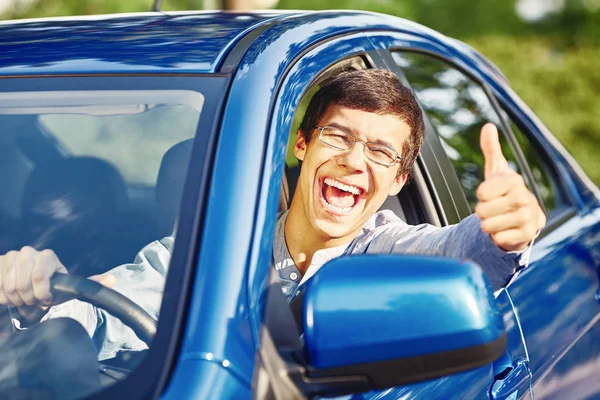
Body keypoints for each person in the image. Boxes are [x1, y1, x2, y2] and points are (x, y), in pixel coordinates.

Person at [0, 69, 545, 361]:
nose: (355, 161)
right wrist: (39, 298)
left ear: (399, 180)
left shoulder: (395, 250)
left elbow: (461, 255)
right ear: (303, 145)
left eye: (380, 152)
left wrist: (503, 232)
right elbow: (108, 313)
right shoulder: (212, 248)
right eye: (339, 136)